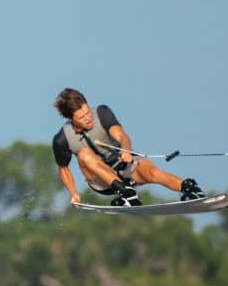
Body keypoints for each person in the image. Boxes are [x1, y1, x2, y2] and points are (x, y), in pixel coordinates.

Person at [51, 88, 204, 206]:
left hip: (123, 164)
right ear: (71, 118)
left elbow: (121, 136)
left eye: (87, 112)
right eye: (82, 117)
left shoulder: (101, 113)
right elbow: (63, 169)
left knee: (151, 171)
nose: (88, 118)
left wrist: (125, 150)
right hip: (102, 181)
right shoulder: (61, 139)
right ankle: (125, 192)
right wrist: (73, 194)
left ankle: (189, 189)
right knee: (84, 154)